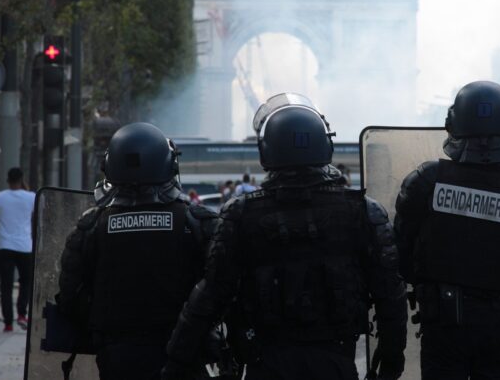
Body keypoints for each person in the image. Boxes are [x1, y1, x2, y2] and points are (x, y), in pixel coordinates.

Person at [162, 93, 407, 380]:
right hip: (335, 362)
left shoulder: (240, 214)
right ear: (325, 145)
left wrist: (176, 363)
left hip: (265, 363)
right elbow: (390, 293)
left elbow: (211, 295)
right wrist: (391, 360)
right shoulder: (363, 212)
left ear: (266, 152)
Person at [394, 81, 500, 380]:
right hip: (499, 325)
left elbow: (401, 255)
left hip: (442, 323)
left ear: (453, 125)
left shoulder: (426, 181)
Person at [56, 122, 219, 380]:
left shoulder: (91, 226)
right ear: (170, 165)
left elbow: (68, 297)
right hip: (185, 356)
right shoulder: (197, 222)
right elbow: (222, 288)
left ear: (109, 166)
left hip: (116, 358)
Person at [0, 167, 35, 332]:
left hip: (4, 246)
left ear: (7, 179)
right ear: (22, 179)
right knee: (25, 281)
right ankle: (22, 314)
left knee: (5, 286)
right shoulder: (32, 197)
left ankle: (8, 323)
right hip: (25, 246)